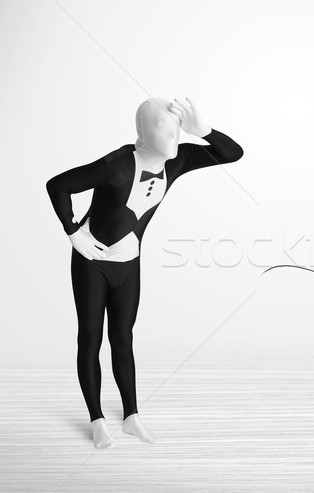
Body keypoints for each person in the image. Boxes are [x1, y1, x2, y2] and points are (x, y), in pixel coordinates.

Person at [46, 96, 244, 449]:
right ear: (143, 132)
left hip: (130, 264)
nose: (173, 137)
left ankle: (131, 417)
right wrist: (73, 231)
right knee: (90, 338)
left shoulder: (178, 159)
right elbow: (58, 185)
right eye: (164, 129)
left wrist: (204, 131)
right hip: (92, 263)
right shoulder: (118, 165)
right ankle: (97, 421)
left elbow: (232, 153)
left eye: (177, 130)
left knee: (123, 338)